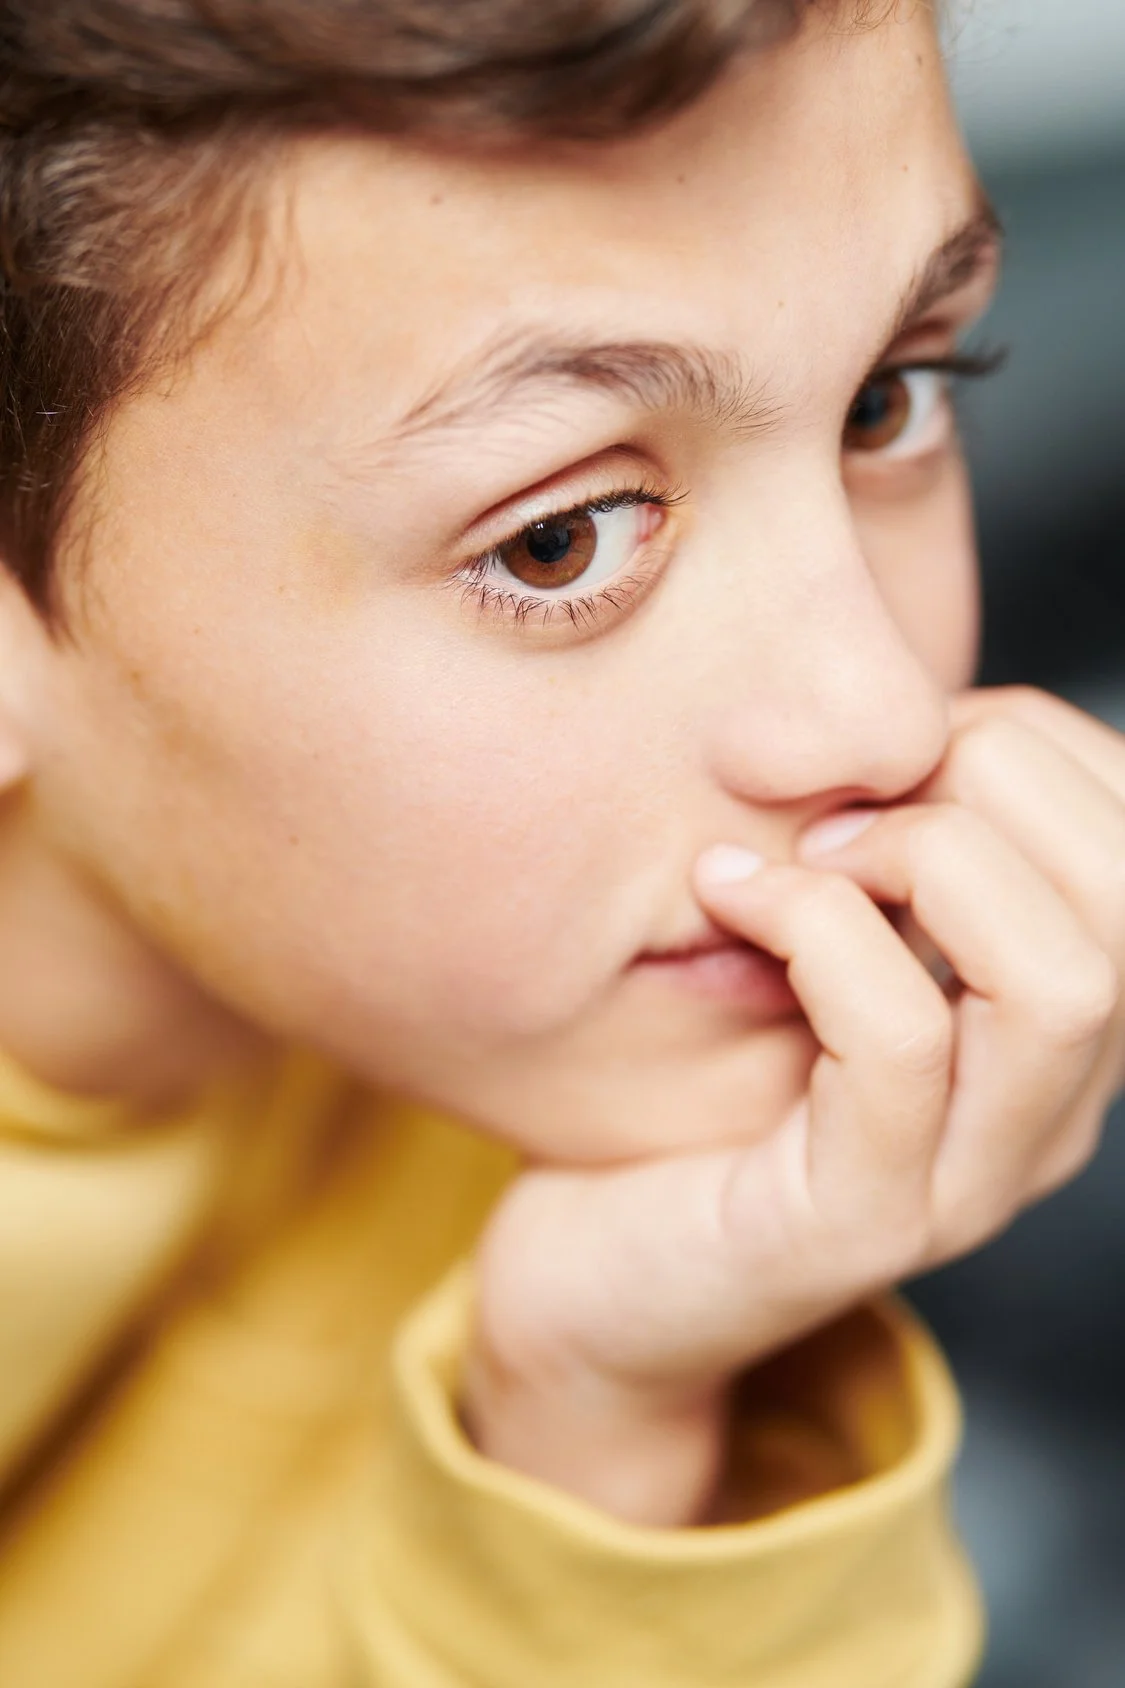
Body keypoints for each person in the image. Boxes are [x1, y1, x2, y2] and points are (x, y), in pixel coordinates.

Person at [0, 0, 1122, 1682]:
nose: (885, 716)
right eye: (559, 542)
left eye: (889, 400)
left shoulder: (548, 1041)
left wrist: (599, 1413)